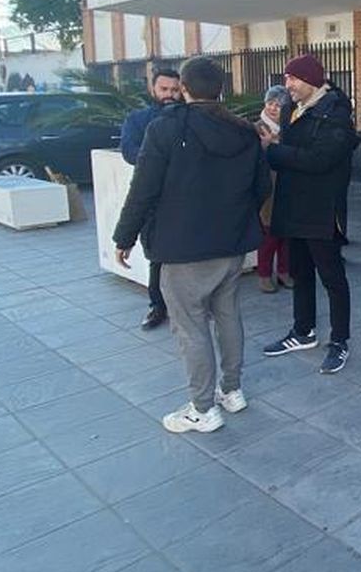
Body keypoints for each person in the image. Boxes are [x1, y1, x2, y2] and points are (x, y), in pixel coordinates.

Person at [113, 56, 268, 434]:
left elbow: (143, 188)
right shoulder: (245, 132)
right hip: (231, 243)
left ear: (184, 87)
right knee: (228, 315)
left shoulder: (165, 128)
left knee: (190, 327)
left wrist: (124, 236)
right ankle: (231, 391)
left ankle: (203, 408)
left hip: (183, 247)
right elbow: (263, 188)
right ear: (221, 88)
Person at [259, 54, 356, 375]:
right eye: (286, 79)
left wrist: (273, 150)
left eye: (292, 79)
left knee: (332, 278)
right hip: (293, 206)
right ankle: (303, 331)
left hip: (321, 209)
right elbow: (295, 152)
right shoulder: (291, 108)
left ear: (311, 80)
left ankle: (340, 340)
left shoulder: (336, 113)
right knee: (300, 273)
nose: (287, 86)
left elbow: (320, 160)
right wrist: (275, 145)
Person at [120, 66, 182, 330]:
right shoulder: (138, 120)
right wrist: (159, 162)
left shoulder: (189, 118)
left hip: (185, 198)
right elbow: (130, 151)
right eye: (164, 89)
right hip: (153, 200)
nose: (169, 94)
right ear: (153, 89)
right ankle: (158, 305)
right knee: (156, 256)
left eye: (175, 89)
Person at [253, 86, 292, 292]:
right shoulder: (257, 128)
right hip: (267, 188)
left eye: (278, 105)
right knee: (268, 235)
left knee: (286, 234)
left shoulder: (289, 128)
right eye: (270, 103)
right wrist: (264, 147)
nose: (273, 108)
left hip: (287, 186)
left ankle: (285, 271)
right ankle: (264, 274)